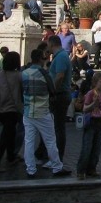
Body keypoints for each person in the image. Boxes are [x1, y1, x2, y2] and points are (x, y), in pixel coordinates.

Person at [22, 48, 70, 178]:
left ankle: (30, 169)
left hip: (28, 111)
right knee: (50, 140)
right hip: (42, 111)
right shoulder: (44, 73)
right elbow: (52, 90)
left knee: (29, 141)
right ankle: (57, 167)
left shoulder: (24, 73)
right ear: (41, 59)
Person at [0, 51, 23, 172]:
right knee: (5, 136)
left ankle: (11, 157)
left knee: (10, 133)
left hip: (0, 108)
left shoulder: (0, 74)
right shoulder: (18, 76)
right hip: (12, 109)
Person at [76, 72, 101, 180]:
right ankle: (81, 170)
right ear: (95, 82)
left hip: (99, 121)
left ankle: (92, 169)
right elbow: (85, 108)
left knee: (96, 148)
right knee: (87, 146)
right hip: (91, 121)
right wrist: (93, 104)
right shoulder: (91, 93)